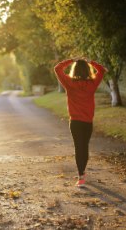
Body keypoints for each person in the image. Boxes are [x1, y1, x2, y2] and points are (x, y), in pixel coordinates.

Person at [54, 57, 107, 187]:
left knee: (79, 147)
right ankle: (82, 172)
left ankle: (81, 176)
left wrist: (71, 60)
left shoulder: (69, 83)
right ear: (88, 70)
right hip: (88, 122)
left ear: (74, 70)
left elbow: (57, 68)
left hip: (75, 122)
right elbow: (102, 70)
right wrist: (91, 62)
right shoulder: (92, 83)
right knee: (85, 146)